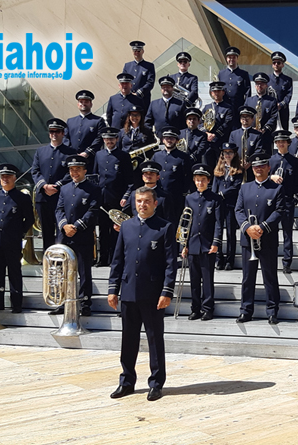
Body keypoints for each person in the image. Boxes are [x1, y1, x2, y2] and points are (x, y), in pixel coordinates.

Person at [107, 186, 177, 402]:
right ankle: (126, 381)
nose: (142, 205)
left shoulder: (164, 228)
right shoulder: (126, 226)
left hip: (153, 294)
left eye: (146, 201)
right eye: (138, 201)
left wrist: (167, 291)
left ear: (155, 203)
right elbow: (118, 260)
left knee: (155, 339)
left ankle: (156, 383)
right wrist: (113, 289)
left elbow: (170, 264)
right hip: (128, 292)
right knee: (128, 339)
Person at [234, 153, 285, 324]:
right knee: (247, 278)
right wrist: (247, 228)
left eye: (262, 165)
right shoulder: (244, 188)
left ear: (268, 168)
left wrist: (262, 227)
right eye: (255, 166)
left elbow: (279, 211)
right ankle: (246, 310)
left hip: (267, 239)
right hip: (248, 240)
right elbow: (238, 211)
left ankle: (272, 310)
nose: (258, 168)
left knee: (269, 276)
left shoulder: (276, 188)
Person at [53, 155, 99, 316]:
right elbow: (59, 209)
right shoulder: (64, 188)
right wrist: (64, 226)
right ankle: (61, 301)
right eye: (72, 170)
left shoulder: (93, 188)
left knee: (84, 271)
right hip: (64, 236)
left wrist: (76, 227)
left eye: (77, 169)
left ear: (84, 170)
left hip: (82, 236)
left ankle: (85, 303)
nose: (74, 172)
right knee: (61, 271)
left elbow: (92, 211)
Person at [0, 164, 34, 313]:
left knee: (14, 273)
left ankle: (16, 305)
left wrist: (18, 232)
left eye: (8, 177)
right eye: (2, 177)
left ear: (14, 178)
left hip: (13, 242)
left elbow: (30, 219)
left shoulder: (22, 197)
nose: (5, 179)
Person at [183, 164, 223, 321]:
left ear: (208, 181)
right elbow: (186, 223)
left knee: (207, 279)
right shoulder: (189, 198)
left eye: (203, 180)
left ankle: (208, 309)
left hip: (207, 244)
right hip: (192, 244)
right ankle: (195, 308)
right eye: (198, 180)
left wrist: (216, 242)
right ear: (194, 181)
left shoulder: (216, 199)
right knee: (194, 280)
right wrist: (184, 244)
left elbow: (219, 223)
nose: (200, 183)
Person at [32, 118, 77, 249]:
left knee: (61, 229)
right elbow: (35, 171)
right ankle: (48, 258)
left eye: (57, 131)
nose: (54, 134)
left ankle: (61, 256)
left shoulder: (70, 152)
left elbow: (71, 173)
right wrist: (44, 186)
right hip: (43, 197)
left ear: (63, 133)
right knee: (46, 230)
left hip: (61, 196)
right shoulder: (40, 152)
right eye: (52, 131)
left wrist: (57, 185)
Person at [94, 127, 134, 267]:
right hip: (102, 199)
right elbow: (94, 177)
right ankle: (103, 258)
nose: (109, 141)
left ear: (116, 139)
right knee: (103, 231)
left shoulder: (123, 156)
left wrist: (125, 197)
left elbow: (130, 181)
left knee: (116, 231)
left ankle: (115, 260)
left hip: (117, 199)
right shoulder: (98, 155)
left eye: (111, 138)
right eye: (106, 139)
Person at [269, 130, 298, 273]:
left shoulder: (294, 161)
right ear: (275, 144)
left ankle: (287, 262)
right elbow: (262, 177)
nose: (281, 144)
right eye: (278, 142)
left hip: (287, 200)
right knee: (272, 232)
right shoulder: (270, 160)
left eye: (283, 141)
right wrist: (271, 177)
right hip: (273, 202)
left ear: (288, 143)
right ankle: (271, 258)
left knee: (288, 233)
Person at [151, 126, 194, 221]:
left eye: (172, 138)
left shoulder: (183, 157)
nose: (169, 140)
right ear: (162, 140)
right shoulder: (156, 156)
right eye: (166, 138)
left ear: (177, 140)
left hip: (175, 196)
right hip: (158, 196)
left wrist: (183, 192)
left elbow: (187, 177)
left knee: (174, 221)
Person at [212, 144, 243, 271]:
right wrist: (214, 198)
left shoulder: (238, 169)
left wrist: (221, 194)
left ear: (234, 154)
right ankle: (219, 258)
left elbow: (236, 187)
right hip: (219, 205)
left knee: (231, 233)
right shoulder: (219, 169)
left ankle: (230, 260)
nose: (228, 155)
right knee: (218, 231)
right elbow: (215, 185)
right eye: (225, 153)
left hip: (231, 204)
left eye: (230, 152)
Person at [65, 90, 106, 158]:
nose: (83, 104)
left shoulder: (98, 120)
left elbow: (99, 138)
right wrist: (71, 151)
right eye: (81, 102)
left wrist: (87, 152)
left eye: (86, 102)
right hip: (72, 158)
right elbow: (65, 137)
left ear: (91, 104)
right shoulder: (70, 121)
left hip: (91, 158)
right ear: (78, 104)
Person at [228, 106, 264, 182]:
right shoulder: (234, 134)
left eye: (247, 117)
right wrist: (237, 161)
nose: (245, 119)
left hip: (251, 168)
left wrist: (250, 162)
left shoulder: (257, 135)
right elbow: (230, 150)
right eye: (243, 117)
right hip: (236, 166)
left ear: (252, 119)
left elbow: (259, 150)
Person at [202, 81, 235, 156]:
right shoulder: (207, 107)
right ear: (211, 93)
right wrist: (207, 133)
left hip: (221, 141)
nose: (216, 93)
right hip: (207, 141)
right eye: (214, 91)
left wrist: (215, 135)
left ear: (223, 92)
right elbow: (200, 123)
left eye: (219, 91)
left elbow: (227, 124)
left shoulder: (228, 108)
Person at [122, 40, 156, 106]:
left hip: (143, 99)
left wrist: (139, 93)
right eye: (135, 51)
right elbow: (124, 81)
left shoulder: (149, 66)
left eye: (138, 51)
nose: (136, 53)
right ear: (132, 52)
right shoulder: (127, 66)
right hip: (129, 98)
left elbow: (150, 82)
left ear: (142, 51)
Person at [219, 47, 252, 111]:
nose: (231, 59)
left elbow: (247, 92)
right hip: (224, 108)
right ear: (226, 59)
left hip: (238, 107)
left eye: (234, 57)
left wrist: (245, 107)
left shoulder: (243, 74)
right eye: (229, 57)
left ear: (237, 59)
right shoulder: (221, 73)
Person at [269, 52, 294, 131]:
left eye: (279, 63)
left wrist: (281, 104)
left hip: (283, 110)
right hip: (270, 110)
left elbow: (288, 95)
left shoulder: (288, 80)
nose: (276, 64)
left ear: (282, 65)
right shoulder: (267, 79)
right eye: (274, 62)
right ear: (272, 65)